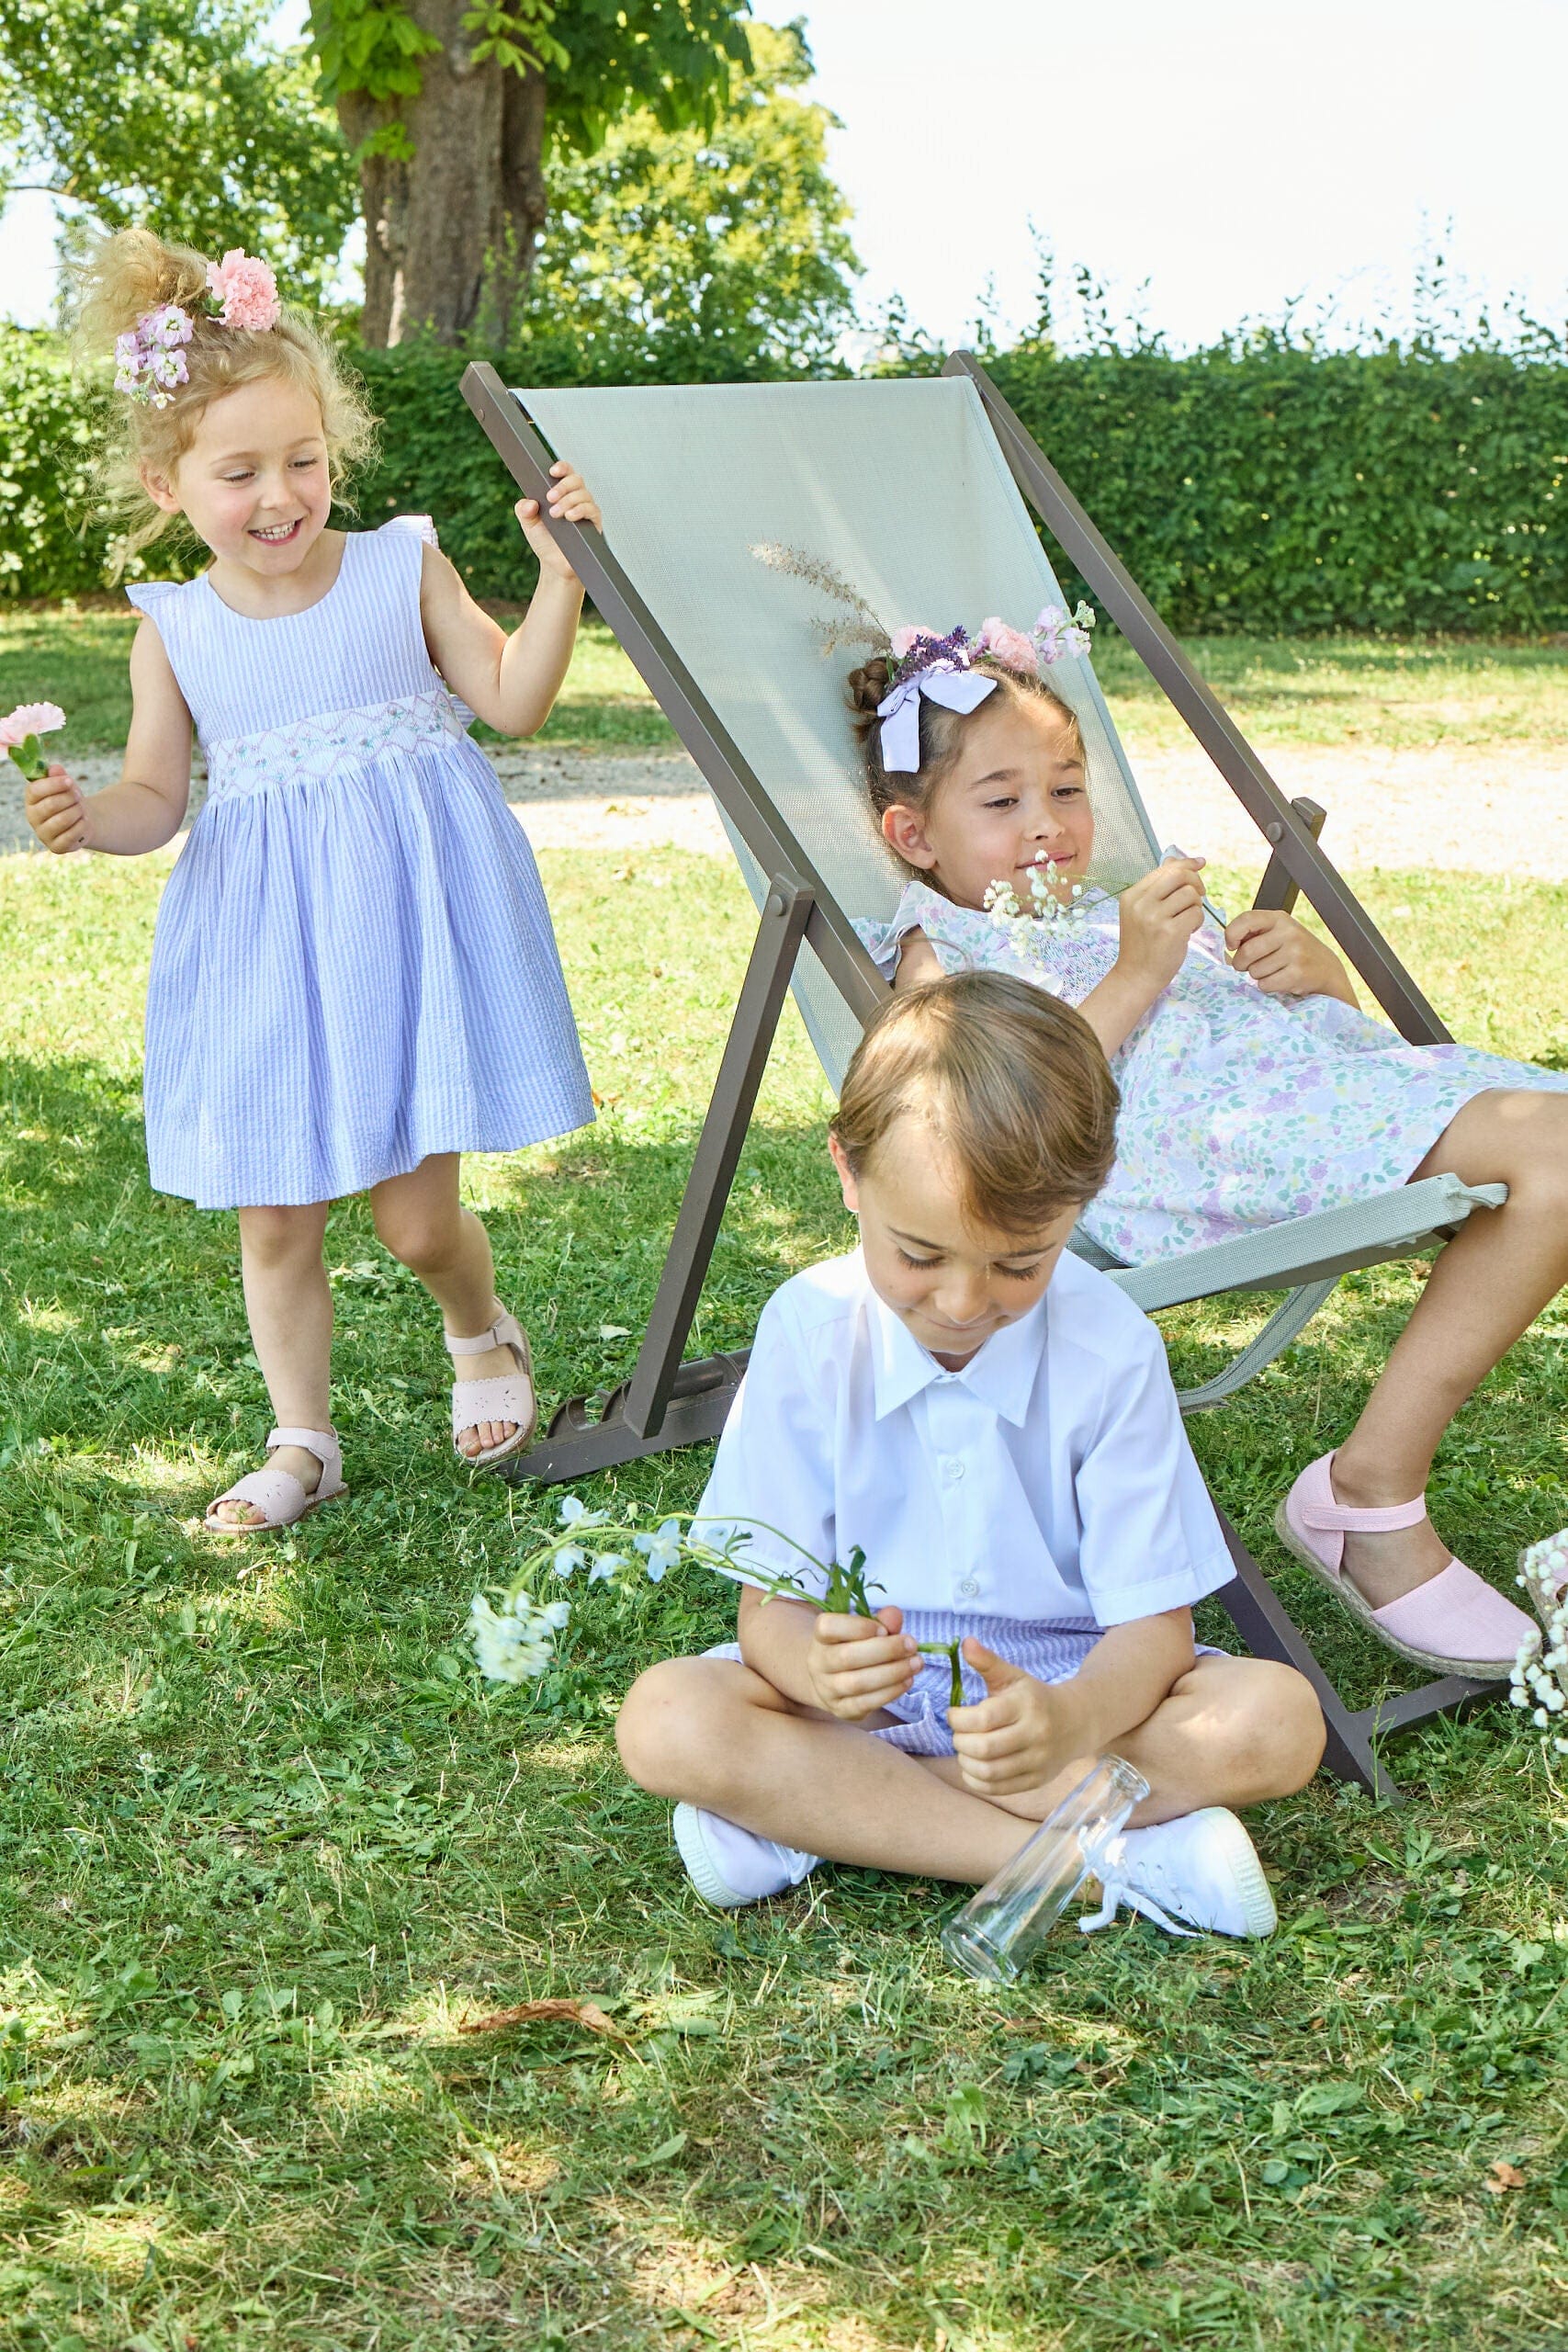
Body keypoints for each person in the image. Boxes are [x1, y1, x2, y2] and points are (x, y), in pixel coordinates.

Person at [840, 616, 1568, 1679]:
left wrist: (1317, 981)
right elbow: (981, 1121)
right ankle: (1367, 1494)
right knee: (1550, 1148)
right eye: (1001, 802)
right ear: (913, 836)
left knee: (1552, 1142)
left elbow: (1290, 1047)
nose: (1048, 824)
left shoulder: (1109, 908)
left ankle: (1369, 1493)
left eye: (1068, 788)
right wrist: (1138, 971)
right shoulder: (942, 949)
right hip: (1174, 1154)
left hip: (1290, 1106)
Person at [24, 229, 600, 1528]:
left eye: (305, 459)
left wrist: (563, 577)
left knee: (411, 1223)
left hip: (400, 930)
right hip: (260, 945)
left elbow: (511, 699)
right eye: (239, 472)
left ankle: (477, 1328)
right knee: (274, 1221)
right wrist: (83, 817)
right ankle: (303, 1443)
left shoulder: (399, 565)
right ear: (168, 483)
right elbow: (154, 801)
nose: (279, 494)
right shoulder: (175, 629)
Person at [615, 973, 1327, 1934]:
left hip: (1074, 1686)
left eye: (1018, 1264)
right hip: (869, 1698)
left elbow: (1153, 1637)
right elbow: (767, 1617)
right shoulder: (809, 1329)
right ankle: (1098, 1862)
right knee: (665, 1716)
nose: (961, 1303)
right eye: (919, 1255)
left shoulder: (1111, 1346)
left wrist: (1069, 1721)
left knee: (1276, 1720)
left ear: (1081, 1206)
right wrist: (814, 1672)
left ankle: (825, 1815)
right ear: (847, 1173)